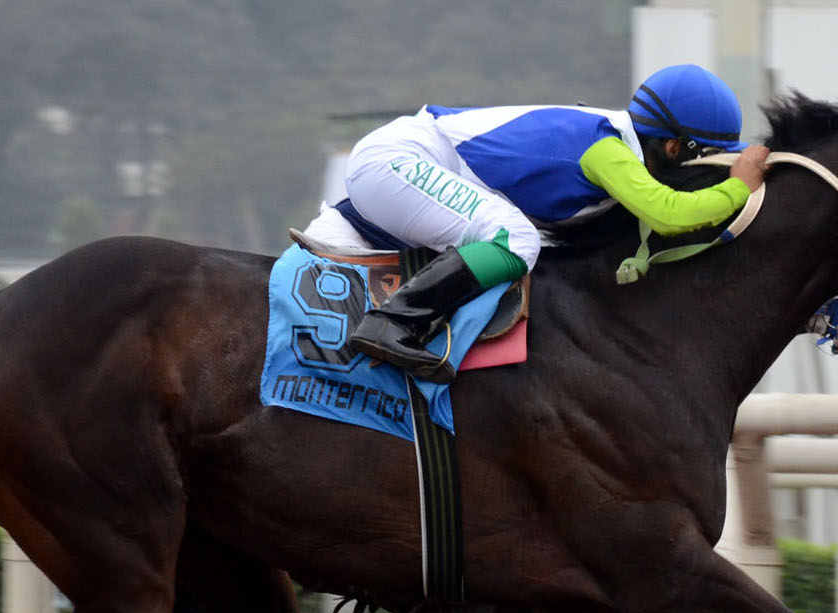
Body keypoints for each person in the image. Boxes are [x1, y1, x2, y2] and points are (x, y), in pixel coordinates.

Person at [328, 63, 771, 383]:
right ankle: (394, 322)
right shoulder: (609, 151)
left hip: (403, 167)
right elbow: (668, 213)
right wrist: (738, 187)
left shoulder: (615, 141)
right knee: (516, 239)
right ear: (674, 148)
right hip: (399, 160)